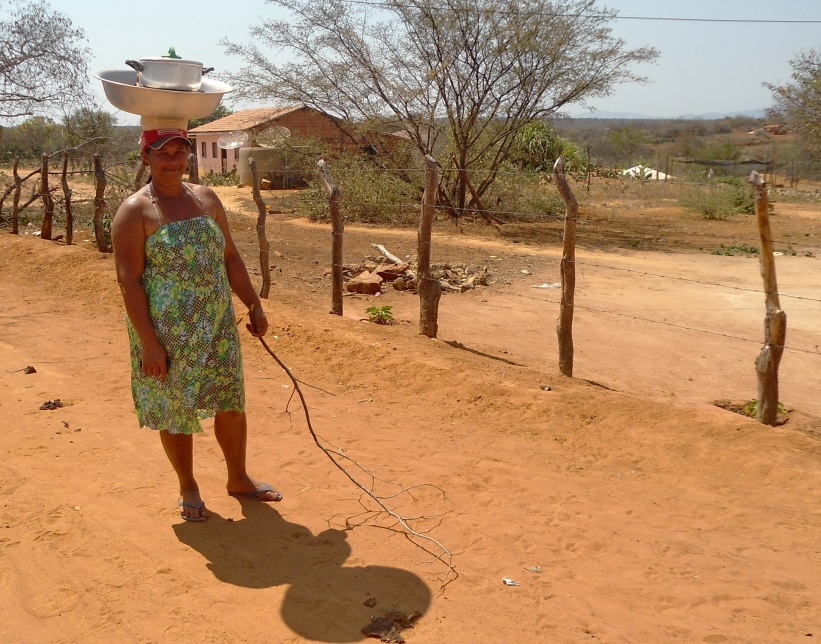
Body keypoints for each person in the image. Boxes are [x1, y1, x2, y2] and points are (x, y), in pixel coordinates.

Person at [111, 128, 281, 522]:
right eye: (162, 153)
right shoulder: (134, 211)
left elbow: (231, 258)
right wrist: (149, 343)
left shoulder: (206, 198)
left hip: (216, 323)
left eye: (178, 152)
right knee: (175, 408)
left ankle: (238, 479)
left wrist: (253, 303)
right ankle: (188, 485)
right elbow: (129, 280)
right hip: (165, 331)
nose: (172, 160)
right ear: (146, 159)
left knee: (230, 402)